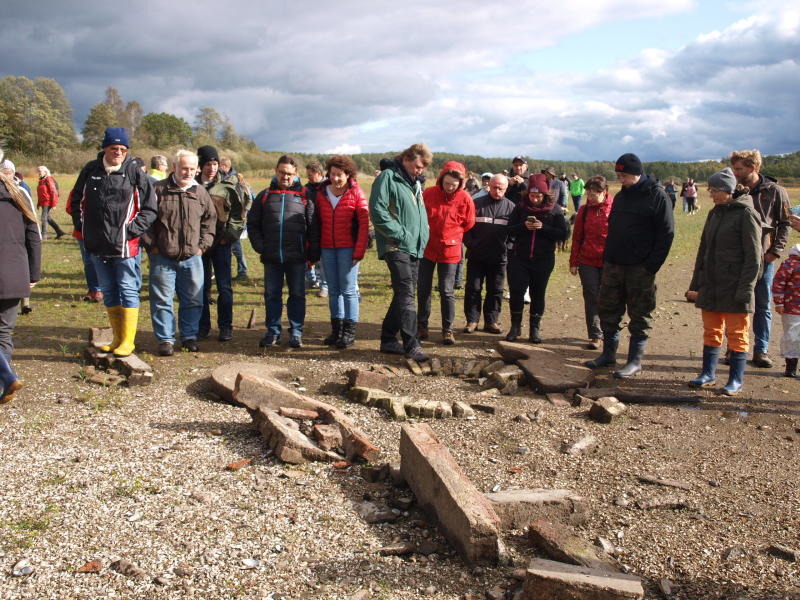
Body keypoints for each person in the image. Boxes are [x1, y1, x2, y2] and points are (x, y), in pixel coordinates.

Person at [585, 153, 675, 378]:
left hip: (640, 268)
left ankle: (635, 361)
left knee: (640, 314)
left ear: (636, 173)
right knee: (608, 310)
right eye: (618, 175)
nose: (620, 180)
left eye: (623, 176)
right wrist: (608, 258)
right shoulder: (622, 196)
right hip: (614, 265)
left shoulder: (657, 196)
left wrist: (650, 266)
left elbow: (666, 234)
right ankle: (608, 354)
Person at [71, 127, 157, 357]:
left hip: (125, 246)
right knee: (108, 290)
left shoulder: (134, 172)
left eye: (122, 149)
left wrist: (131, 231)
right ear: (104, 148)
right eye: (113, 148)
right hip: (97, 245)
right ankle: (117, 337)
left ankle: (128, 341)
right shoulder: (91, 170)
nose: (118, 152)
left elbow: (150, 208)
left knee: (128, 289)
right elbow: (77, 200)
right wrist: (85, 229)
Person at [685, 168, 761, 396]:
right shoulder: (715, 212)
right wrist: (695, 284)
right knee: (711, 330)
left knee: (737, 335)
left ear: (728, 190)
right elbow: (703, 250)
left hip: (735, 285)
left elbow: (754, 257)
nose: (711, 194)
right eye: (710, 189)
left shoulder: (746, 213)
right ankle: (708, 374)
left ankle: (735, 380)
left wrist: (746, 289)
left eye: (715, 190)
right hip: (711, 284)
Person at [141, 150, 216, 356]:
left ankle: (189, 336)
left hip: (193, 258)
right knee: (162, 300)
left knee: (193, 299)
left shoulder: (200, 192)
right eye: (184, 168)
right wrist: (152, 246)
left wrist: (202, 247)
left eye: (192, 169)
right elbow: (144, 221)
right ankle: (165, 339)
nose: (188, 172)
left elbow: (210, 222)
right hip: (163, 257)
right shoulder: (157, 190)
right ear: (175, 167)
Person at [249, 155, 319, 348]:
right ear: (276, 171)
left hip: (296, 257)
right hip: (271, 257)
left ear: (295, 174)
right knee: (272, 295)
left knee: (297, 295)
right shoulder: (264, 196)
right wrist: (260, 246)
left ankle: (296, 332)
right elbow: (252, 224)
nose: (285, 176)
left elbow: (313, 227)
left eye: (289, 173)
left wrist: (313, 254)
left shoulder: (305, 197)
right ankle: (273, 332)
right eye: (282, 172)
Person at [369, 143, 431, 361]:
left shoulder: (413, 183)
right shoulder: (388, 177)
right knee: (407, 293)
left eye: (423, 168)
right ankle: (411, 344)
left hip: (413, 246)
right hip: (396, 245)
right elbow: (377, 210)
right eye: (417, 166)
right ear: (406, 159)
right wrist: (401, 234)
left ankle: (387, 339)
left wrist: (423, 234)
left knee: (404, 292)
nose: (419, 171)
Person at [731, 149, 791, 369]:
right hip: (737, 257)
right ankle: (735, 348)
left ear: (753, 168)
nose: (735, 172)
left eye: (739, 169)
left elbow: (785, 224)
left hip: (764, 257)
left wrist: (775, 252)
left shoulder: (775, 191)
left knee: (762, 303)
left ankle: (761, 350)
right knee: (737, 302)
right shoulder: (733, 189)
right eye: (734, 168)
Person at [417, 161, 476, 346]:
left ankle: (447, 330)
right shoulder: (429, 194)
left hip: (450, 250)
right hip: (428, 248)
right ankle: (421, 326)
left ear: (461, 183)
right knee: (423, 288)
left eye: (454, 184)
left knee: (447, 291)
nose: (450, 187)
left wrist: (454, 234)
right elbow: (420, 215)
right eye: (447, 183)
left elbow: (469, 222)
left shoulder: (465, 198)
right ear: (441, 179)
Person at [505, 173, 568, 343]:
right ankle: (515, 327)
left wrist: (544, 228)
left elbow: (563, 233)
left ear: (545, 195)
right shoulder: (520, 208)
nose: (535, 199)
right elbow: (509, 229)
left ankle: (534, 329)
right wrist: (523, 226)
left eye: (538, 196)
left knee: (538, 294)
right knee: (517, 293)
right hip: (519, 258)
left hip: (543, 260)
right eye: (532, 195)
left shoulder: (554, 210)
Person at [315, 155, 369, 348]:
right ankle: (336, 331)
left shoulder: (357, 194)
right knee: (333, 290)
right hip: (327, 247)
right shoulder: (321, 193)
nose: (336, 179)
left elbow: (364, 226)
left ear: (348, 175)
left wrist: (359, 251)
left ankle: (349, 333)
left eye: (340, 175)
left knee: (348, 290)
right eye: (333, 174)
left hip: (348, 249)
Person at [0, 149, 41, 404]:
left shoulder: (18, 193)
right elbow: (33, 236)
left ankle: (6, 377)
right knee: (3, 333)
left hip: (14, 271)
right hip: (15, 273)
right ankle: (4, 382)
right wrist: (33, 273)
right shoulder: (18, 192)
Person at [196, 145, 244, 342]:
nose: (212, 168)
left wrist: (229, 237)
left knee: (224, 287)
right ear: (201, 165)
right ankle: (203, 326)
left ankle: (226, 327)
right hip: (198, 246)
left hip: (221, 244)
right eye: (208, 164)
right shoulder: (192, 186)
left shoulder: (227, 187)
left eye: (215, 164)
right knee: (201, 287)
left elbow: (238, 215)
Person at [463, 174, 515, 334]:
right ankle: (472, 320)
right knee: (473, 288)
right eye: (494, 187)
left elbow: (514, 234)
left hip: (499, 258)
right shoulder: (476, 204)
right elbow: (465, 228)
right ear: (489, 186)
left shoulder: (512, 208)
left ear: (506, 189)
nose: (497, 190)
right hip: (476, 256)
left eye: (501, 188)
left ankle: (491, 321)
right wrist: (472, 245)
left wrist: (507, 248)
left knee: (496, 290)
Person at [569, 176, 614, 350]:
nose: (591, 195)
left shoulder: (615, 209)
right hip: (587, 261)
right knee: (591, 296)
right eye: (588, 192)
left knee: (608, 298)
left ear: (604, 192)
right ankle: (595, 335)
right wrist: (574, 261)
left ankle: (609, 332)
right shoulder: (584, 211)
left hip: (609, 261)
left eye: (595, 192)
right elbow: (577, 237)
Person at [773, 244, 800, 378]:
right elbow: (778, 283)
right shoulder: (790, 264)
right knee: (792, 336)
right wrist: (779, 302)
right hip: (791, 309)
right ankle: (791, 365)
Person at [305, 160, 328, 297]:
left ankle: (325, 285)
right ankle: (312, 280)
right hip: (310, 226)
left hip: (324, 226)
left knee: (324, 258)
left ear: (318, 173)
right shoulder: (306, 188)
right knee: (309, 255)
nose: (308, 177)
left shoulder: (328, 187)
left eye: (310, 175)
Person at [36, 166, 66, 239]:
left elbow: (54, 192)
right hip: (44, 202)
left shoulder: (48, 179)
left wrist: (54, 204)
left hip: (48, 202)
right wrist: (38, 203)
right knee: (48, 218)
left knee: (44, 218)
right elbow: (41, 193)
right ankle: (59, 231)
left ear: (45, 172)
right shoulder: (41, 180)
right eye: (38, 171)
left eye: (40, 171)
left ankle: (44, 235)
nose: (39, 173)